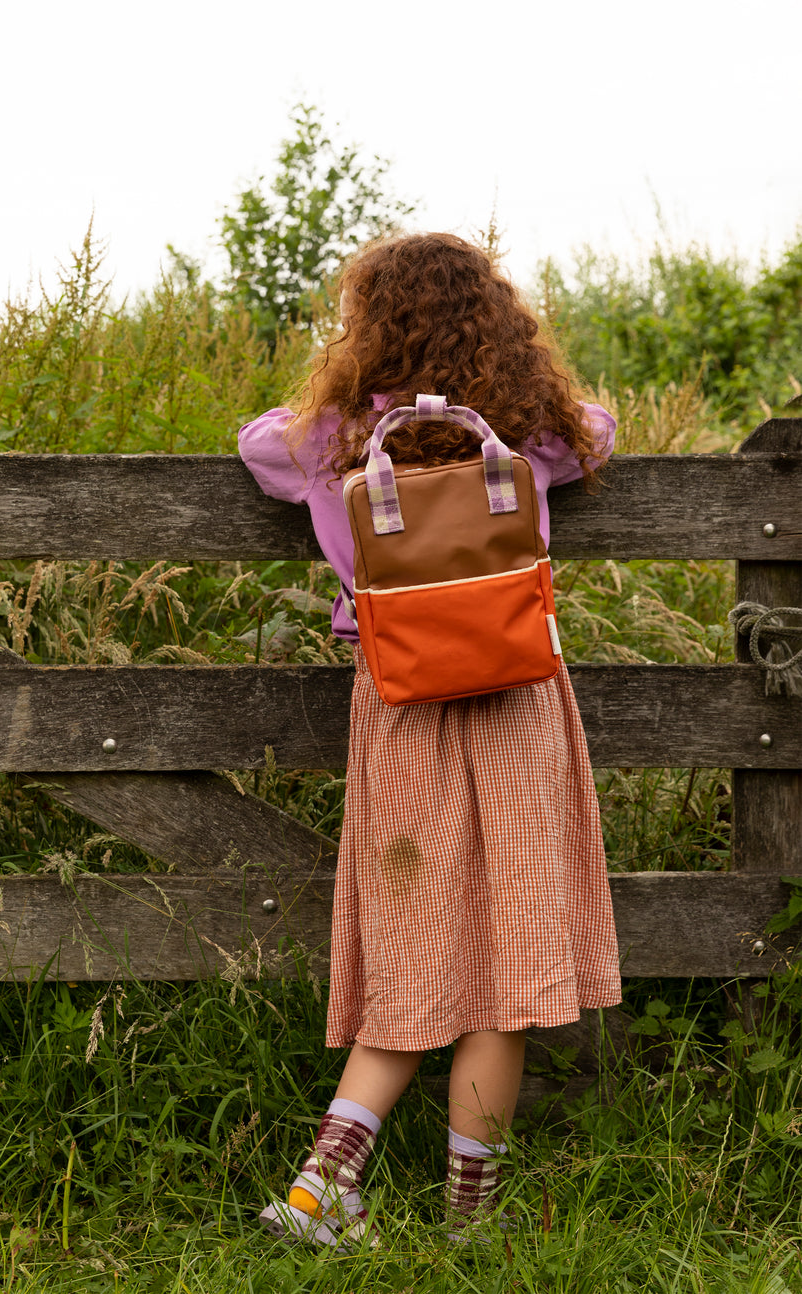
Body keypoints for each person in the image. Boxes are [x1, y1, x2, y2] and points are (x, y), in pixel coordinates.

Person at [238, 232, 622, 1246]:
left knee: (412, 943)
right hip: (513, 695)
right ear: (495, 318)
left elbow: (255, 443)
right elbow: (602, 427)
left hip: (401, 695)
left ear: (368, 324)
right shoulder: (526, 429)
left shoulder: (326, 442)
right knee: (509, 958)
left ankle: (320, 1194)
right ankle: (470, 1225)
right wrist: (495, 396)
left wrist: (367, 405)